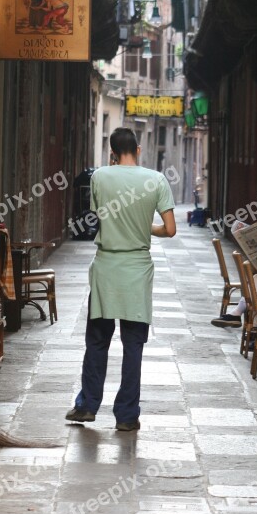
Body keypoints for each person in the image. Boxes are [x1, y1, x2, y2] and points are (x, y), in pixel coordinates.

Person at [66, 128, 176, 431]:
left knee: (98, 341)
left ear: (112, 152)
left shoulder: (100, 176)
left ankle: (87, 406)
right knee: (133, 346)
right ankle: (127, 416)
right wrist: (145, 228)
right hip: (137, 271)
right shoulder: (156, 180)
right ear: (138, 149)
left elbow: (102, 216)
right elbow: (170, 229)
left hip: (106, 270)